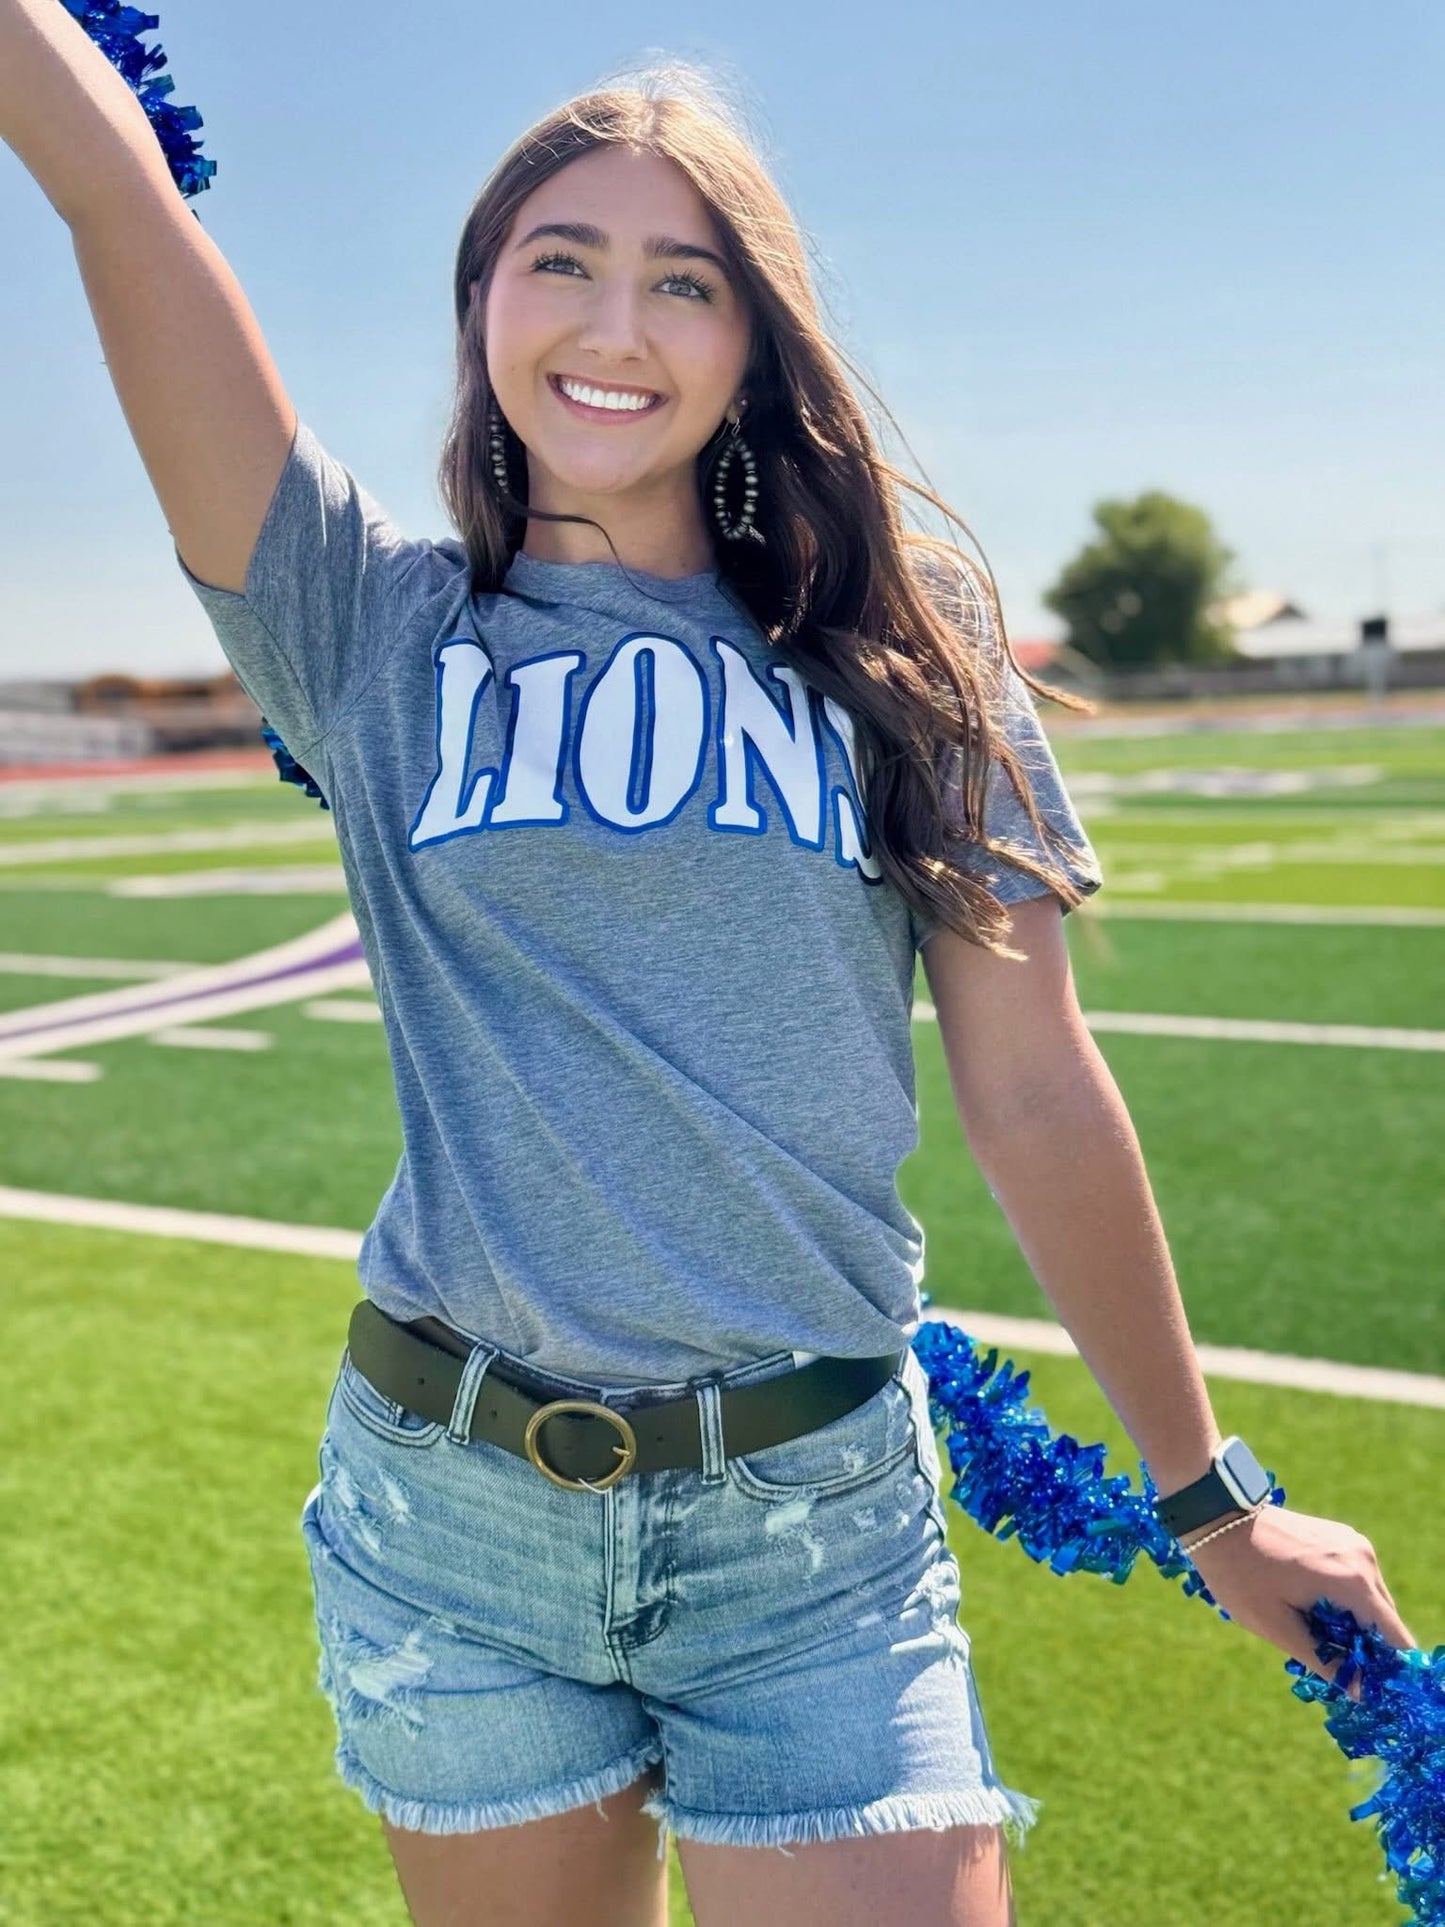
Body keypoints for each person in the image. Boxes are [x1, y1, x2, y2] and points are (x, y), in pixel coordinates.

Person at [3, 14, 1416, 1924]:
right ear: (481, 300)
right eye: (559, 262)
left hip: (817, 1533)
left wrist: (1209, 1494)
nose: (614, 326)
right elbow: (112, 194)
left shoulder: (913, 666)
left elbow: (1030, 1087)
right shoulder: (364, 625)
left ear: (751, 343)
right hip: (454, 1513)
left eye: (684, 283)